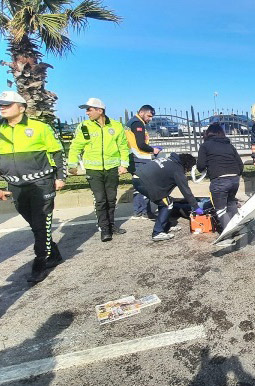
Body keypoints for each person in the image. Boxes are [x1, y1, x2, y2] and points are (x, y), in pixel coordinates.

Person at [0, 90, 67, 282]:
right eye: (1, 105)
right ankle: (54, 254)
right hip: (15, 186)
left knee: (41, 224)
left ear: (21, 108)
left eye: (7, 104)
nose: (2, 108)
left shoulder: (40, 128)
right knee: (36, 225)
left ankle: (39, 263)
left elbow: (58, 152)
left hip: (41, 184)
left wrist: (60, 177)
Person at [67, 98, 129, 242]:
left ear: (99, 111)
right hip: (93, 170)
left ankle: (111, 225)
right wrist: (72, 165)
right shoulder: (84, 126)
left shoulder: (116, 126)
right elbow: (76, 146)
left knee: (111, 199)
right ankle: (104, 229)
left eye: (89, 109)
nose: (87, 113)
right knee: (100, 200)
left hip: (111, 169)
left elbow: (123, 146)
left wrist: (124, 164)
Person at [134, 153, 202, 241]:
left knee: (164, 200)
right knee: (167, 204)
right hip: (144, 182)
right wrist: (196, 207)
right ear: (187, 165)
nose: (188, 171)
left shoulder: (170, 160)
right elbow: (186, 191)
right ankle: (158, 232)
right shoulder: (177, 170)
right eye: (190, 168)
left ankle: (166, 225)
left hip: (138, 177)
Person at [196, 123, 243, 230]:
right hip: (235, 179)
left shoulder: (205, 146)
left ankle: (228, 233)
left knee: (221, 209)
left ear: (208, 134)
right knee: (231, 204)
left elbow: (201, 166)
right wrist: (235, 176)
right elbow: (240, 164)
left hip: (219, 180)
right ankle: (237, 229)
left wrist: (207, 169)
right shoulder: (229, 145)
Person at [125, 105, 160, 219]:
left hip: (133, 158)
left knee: (138, 186)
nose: (150, 119)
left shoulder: (131, 122)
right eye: (149, 116)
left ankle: (138, 211)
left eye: (151, 117)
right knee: (145, 186)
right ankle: (146, 212)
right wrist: (153, 150)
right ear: (141, 113)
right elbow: (140, 144)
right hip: (139, 159)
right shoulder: (138, 124)